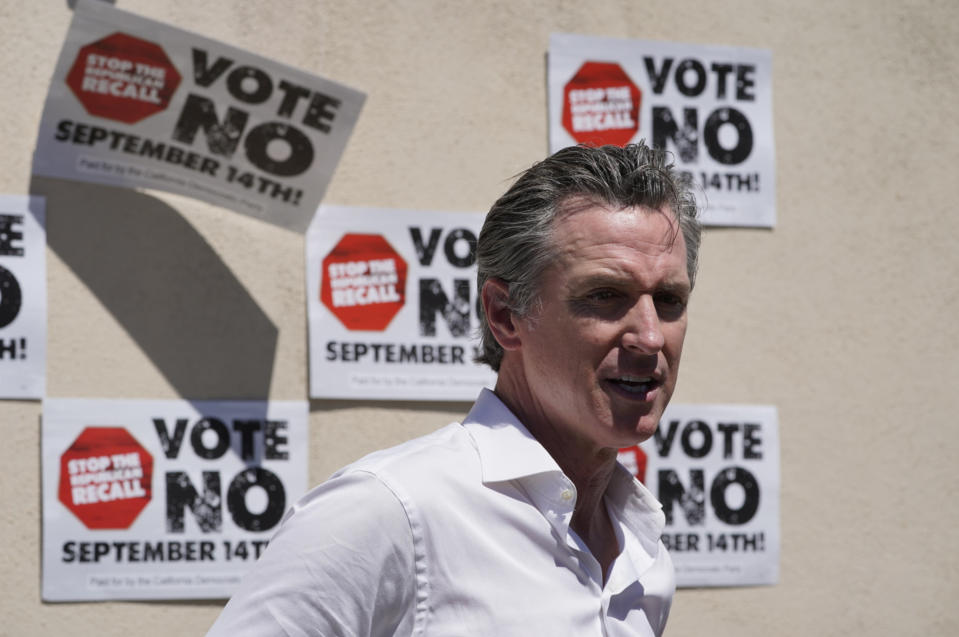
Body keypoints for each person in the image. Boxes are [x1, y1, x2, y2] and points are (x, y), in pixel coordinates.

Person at [207, 141, 702, 636]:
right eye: (604, 296)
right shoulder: (392, 511)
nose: (650, 335)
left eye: (669, 300)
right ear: (506, 315)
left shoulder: (644, 550)